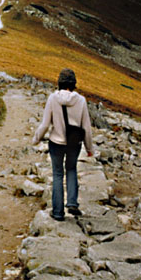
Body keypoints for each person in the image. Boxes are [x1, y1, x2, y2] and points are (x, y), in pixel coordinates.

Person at [32, 68, 94, 221]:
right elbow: (86, 127)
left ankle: (58, 213)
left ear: (59, 82)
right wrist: (89, 148)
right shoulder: (81, 100)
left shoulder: (53, 98)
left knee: (58, 175)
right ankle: (72, 202)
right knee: (71, 170)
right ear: (73, 84)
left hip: (56, 142)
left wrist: (36, 139)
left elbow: (45, 124)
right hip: (74, 143)